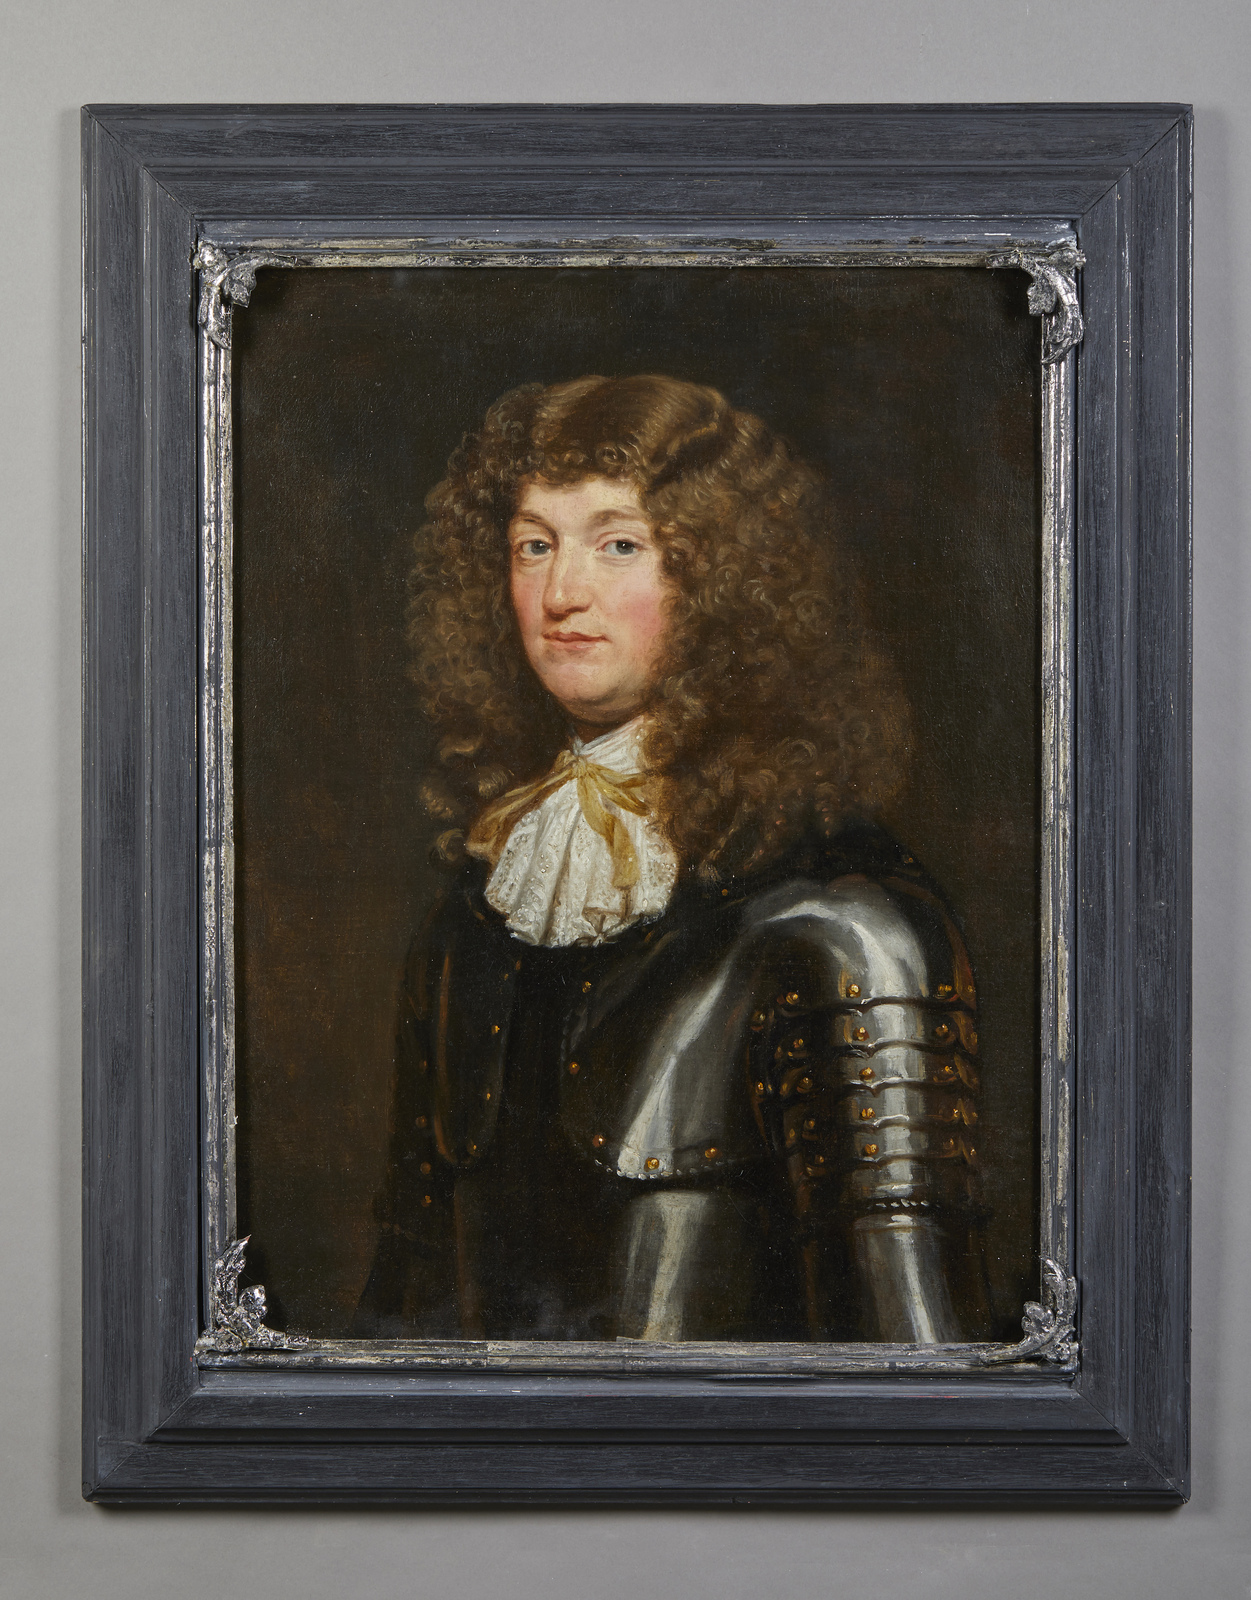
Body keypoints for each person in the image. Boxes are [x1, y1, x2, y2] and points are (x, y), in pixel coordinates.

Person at [355, 374, 990, 1343]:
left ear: (720, 577)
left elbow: (918, 1373)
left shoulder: (843, 929)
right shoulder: (468, 927)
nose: (562, 594)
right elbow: (398, 1326)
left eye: (619, 544)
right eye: (534, 545)